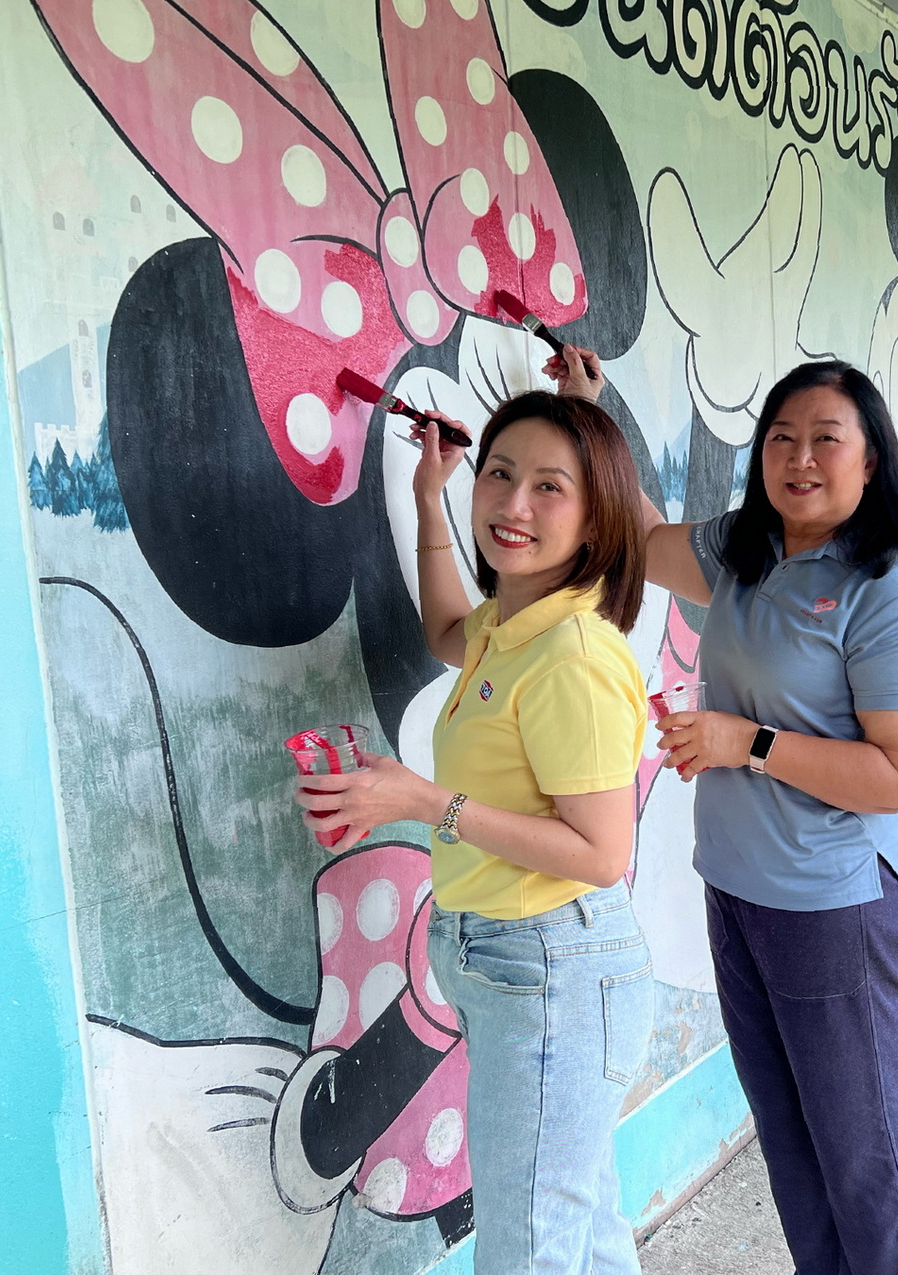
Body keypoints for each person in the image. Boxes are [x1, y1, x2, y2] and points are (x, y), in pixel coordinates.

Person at [560, 351, 898, 1275]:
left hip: (831, 902)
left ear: (870, 459)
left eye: (826, 438)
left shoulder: (885, 592)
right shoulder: (746, 549)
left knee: (859, 1151)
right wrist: (592, 412)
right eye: (782, 437)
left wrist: (750, 743)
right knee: (788, 1135)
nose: (800, 457)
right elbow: (645, 534)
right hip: (735, 890)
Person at [293, 389, 655, 1274]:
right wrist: (427, 494)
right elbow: (448, 628)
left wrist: (425, 803)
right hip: (513, 966)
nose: (513, 503)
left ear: (598, 514)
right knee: (583, 1236)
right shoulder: (509, 625)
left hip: (554, 977)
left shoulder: (572, 654)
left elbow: (603, 854)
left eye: (548, 487)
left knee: (527, 1251)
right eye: (498, 474)